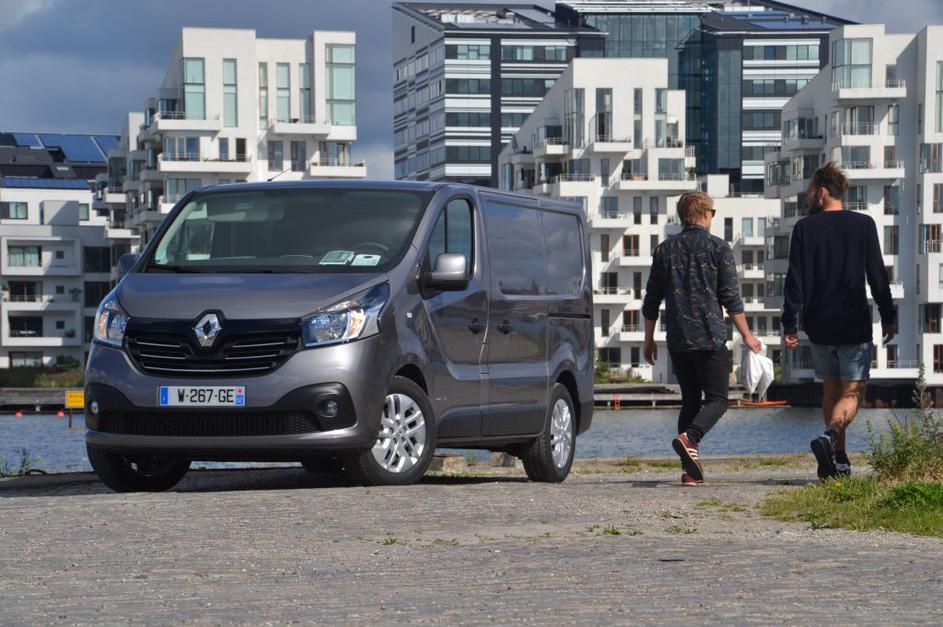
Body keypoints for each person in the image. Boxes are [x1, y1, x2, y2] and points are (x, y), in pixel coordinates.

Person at [782, 163, 896, 480]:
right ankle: (831, 437)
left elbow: (794, 280)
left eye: (809, 190)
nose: (807, 196)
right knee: (853, 391)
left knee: (830, 389)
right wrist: (888, 316)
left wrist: (789, 324)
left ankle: (838, 459)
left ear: (822, 191)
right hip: (853, 322)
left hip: (818, 324)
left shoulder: (805, 228)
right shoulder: (863, 225)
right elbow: (877, 276)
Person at [642, 191, 763, 486]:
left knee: (690, 401)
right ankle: (691, 437)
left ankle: (689, 471)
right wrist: (747, 336)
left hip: (678, 339)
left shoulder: (664, 250)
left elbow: (651, 299)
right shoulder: (718, 248)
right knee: (718, 399)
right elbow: (730, 298)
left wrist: (648, 339)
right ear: (706, 215)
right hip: (709, 337)